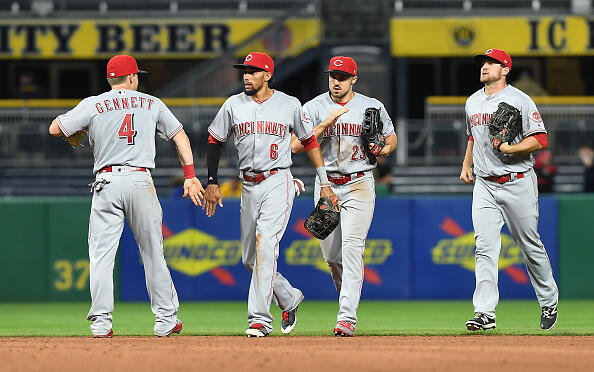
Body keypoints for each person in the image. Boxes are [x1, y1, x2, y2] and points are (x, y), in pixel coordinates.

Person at [49, 54, 204, 338]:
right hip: (140, 180)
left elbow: (56, 128)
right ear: (132, 77)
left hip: (106, 181)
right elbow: (181, 137)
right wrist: (190, 176)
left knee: (101, 256)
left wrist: (82, 126)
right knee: (153, 253)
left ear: (110, 79)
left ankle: (101, 323)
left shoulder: (94, 103)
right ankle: (166, 320)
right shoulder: (152, 103)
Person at [203, 52, 337, 338]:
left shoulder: (289, 104)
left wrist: (324, 182)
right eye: (244, 71)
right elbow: (215, 140)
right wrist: (212, 180)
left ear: (267, 75)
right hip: (247, 185)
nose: (246, 76)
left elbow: (309, 140)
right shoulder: (233, 104)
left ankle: (259, 320)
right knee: (249, 258)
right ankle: (288, 298)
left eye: (252, 71)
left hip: (278, 180)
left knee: (265, 248)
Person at [291, 56, 397, 336]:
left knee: (352, 249)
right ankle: (345, 295)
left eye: (342, 77)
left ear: (353, 79)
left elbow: (391, 138)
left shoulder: (370, 106)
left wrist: (383, 150)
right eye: (332, 76)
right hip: (326, 185)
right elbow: (292, 146)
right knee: (331, 255)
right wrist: (324, 124)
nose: (336, 81)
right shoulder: (313, 108)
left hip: (359, 182)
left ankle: (346, 317)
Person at [460, 48, 558, 331]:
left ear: (505, 70)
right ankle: (485, 313)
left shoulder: (520, 99)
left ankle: (549, 299)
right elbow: (472, 136)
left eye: (492, 63)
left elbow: (540, 139)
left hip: (517, 181)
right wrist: (466, 164)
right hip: (485, 185)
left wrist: (511, 148)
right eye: (483, 63)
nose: (485, 66)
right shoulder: (473, 102)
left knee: (529, 245)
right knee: (484, 247)